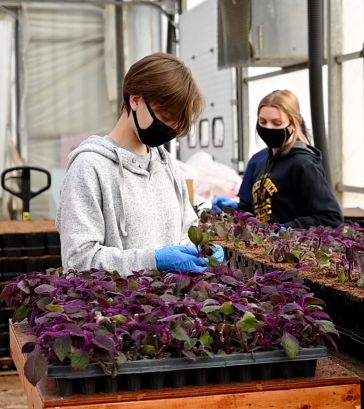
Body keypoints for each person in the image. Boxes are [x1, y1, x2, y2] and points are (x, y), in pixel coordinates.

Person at [56, 52, 224, 275]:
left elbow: (184, 234)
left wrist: (200, 250)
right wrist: (151, 260)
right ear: (135, 99)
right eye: (165, 115)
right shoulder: (90, 167)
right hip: (115, 307)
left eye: (178, 123)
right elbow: (78, 259)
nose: (171, 129)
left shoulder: (167, 166)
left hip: (170, 307)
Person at [212, 90, 343, 229]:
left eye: (277, 123)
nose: (268, 127)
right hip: (265, 247)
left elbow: (330, 217)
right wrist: (234, 210)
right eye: (263, 121)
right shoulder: (261, 162)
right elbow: (256, 211)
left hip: (292, 249)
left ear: (293, 124)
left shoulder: (303, 164)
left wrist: (287, 229)